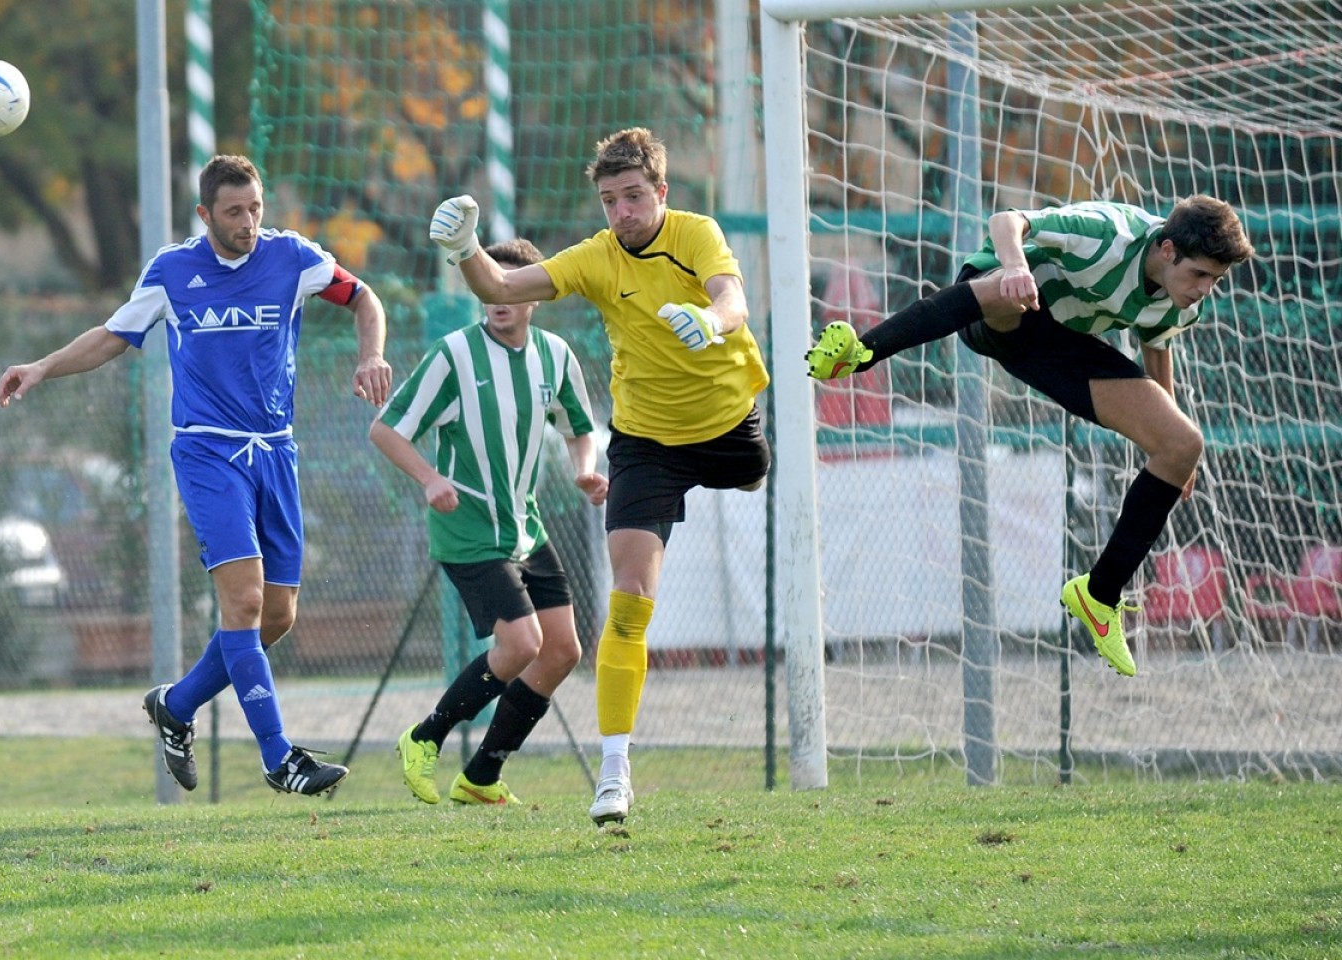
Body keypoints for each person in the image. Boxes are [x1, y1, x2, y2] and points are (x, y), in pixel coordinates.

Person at [0, 154, 393, 796]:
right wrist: (42, 366)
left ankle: (177, 705)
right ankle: (278, 757)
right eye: (234, 212)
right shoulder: (173, 270)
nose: (249, 222)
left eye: (256, 208)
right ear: (205, 214)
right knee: (243, 601)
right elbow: (112, 335)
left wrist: (370, 354)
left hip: (277, 452)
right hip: (209, 453)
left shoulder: (292, 256)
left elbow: (363, 297)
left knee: (277, 616)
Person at [428, 127, 771, 824]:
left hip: (727, 427)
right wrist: (464, 249)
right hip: (645, 442)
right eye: (610, 199)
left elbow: (733, 299)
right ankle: (614, 775)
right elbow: (497, 283)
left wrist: (711, 321)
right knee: (630, 600)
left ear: (661, 193)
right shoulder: (595, 257)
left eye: (634, 196)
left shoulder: (696, 233)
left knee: (752, 475)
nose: (622, 211)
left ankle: (592, 770)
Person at [805, 196, 1254, 677]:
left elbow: (1156, 347)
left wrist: (1164, 443)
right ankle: (860, 352)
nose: (1206, 290)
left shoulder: (1178, 302)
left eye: (1216, 280)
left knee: (1185, 443)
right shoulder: (1108, 232)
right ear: (1167, 250)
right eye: (1201, 276)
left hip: (1057, 344)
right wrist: (1017, 264)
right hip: (995, 312)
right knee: (1010, 289)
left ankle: (1099, 595)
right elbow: (1006, 220)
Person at [373, 238, 608, 806]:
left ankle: (480, 776)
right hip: (468, 529)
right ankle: (424, 737)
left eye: (510, 287)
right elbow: (386, 429)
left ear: (534, 296)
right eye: (488, 287)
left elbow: (579, 425)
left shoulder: (555, 355)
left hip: (524, 528)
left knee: (563, 652)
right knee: (522, 643)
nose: (498, 298)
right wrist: (430, 478)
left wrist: (584, 470)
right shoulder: (453, 354)